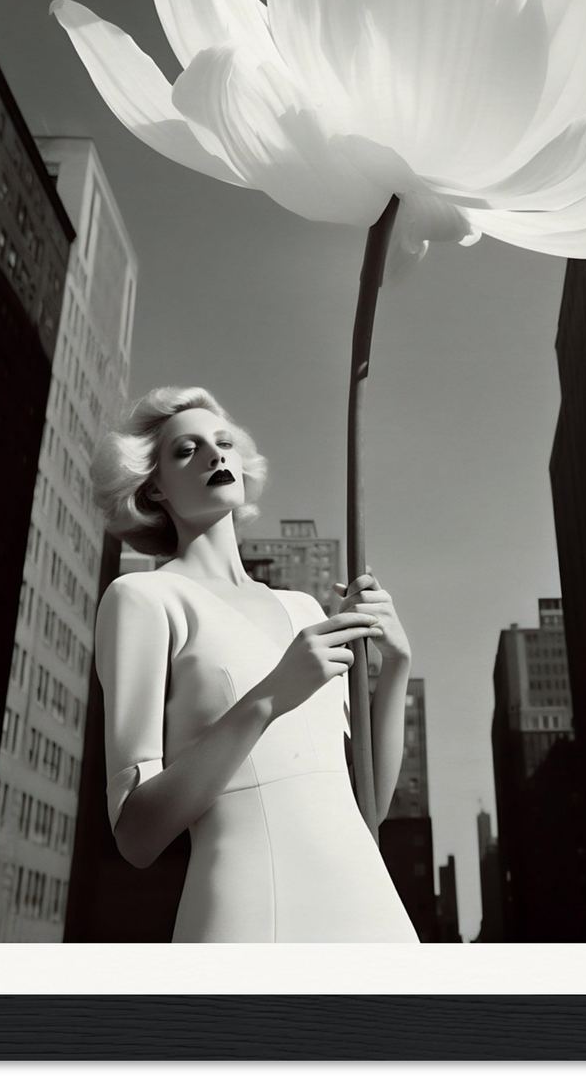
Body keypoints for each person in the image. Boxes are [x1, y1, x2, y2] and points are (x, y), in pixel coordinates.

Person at [89, 385, 420, 943]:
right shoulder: (143, 599)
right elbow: (136, 835)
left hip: (371, 906)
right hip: (252, 910)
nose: (216, 455)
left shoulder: (304, 609)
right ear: (154, 489)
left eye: (223, 443)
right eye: (186, 450)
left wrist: (397, 666)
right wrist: (270, 697)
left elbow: (369, 806)